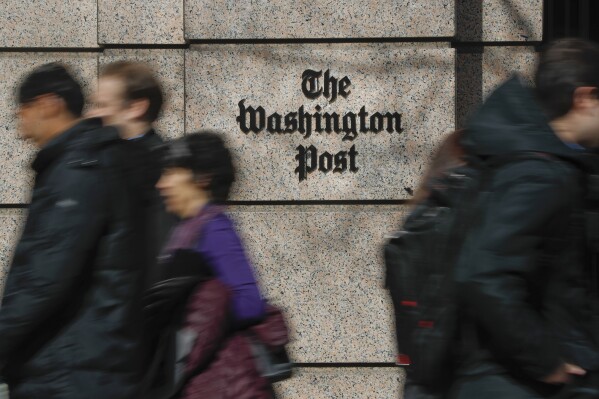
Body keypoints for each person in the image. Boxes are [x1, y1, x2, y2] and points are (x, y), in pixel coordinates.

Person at [448, 38, 599, 398]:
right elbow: (484, 273)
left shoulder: (551, 163)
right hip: (515, 384)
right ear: (584, 98)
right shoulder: (538, 173)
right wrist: (547, 362)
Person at [0, 63, 144, 398]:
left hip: (70, 372)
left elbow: (44, 276)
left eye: (22, 111)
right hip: (77, 367)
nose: (19, 127)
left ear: (49, 104)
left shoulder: (79, 169)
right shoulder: (84, 162)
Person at [155, 131, 276, 398]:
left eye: (172, 173)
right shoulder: (186, 228)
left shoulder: (215, 228)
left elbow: (250, 301)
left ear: (202, 178)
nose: (161, 184)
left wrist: (198, 325)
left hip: (220, 381)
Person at [87, 60, 173, 289]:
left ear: (136, 107)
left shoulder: (162, 168)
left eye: (102, 105)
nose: (92, 115)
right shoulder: (105, 160)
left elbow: (158, 253)